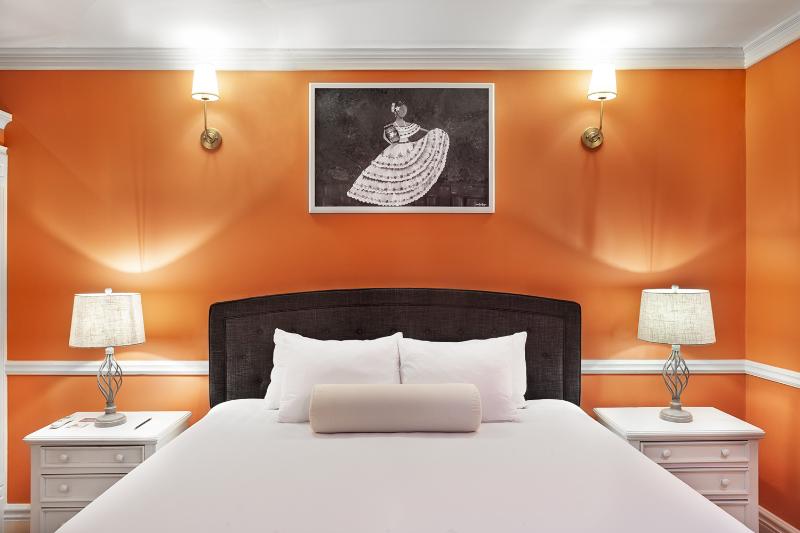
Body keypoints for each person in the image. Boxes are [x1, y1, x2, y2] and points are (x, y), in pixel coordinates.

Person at [347, 100, 450, 206]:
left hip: (407, 148)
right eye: (401, 111)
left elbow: (419, 129)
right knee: (394, 173)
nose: (403, 112)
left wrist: (432, 133)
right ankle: (394, 199)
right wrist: (392, 142)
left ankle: (403, 198)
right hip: (396, 149)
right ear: (396, 112)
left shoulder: (405, 125)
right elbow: (386, 137)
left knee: (407, 172)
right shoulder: (391, 126)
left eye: (404, 111)